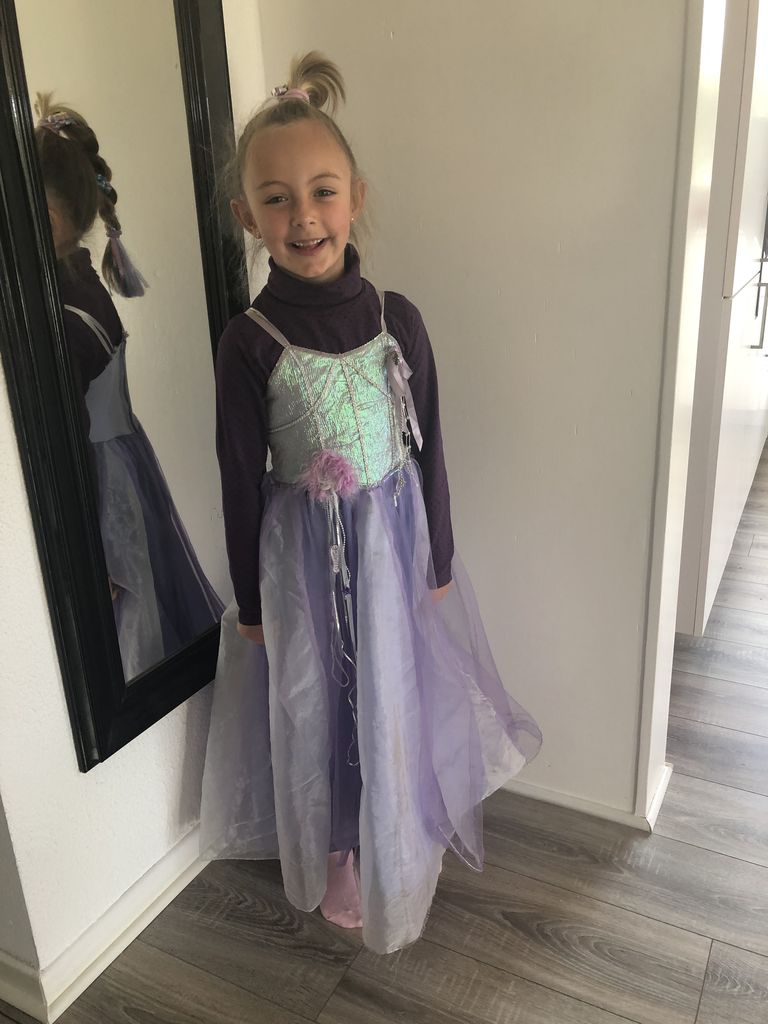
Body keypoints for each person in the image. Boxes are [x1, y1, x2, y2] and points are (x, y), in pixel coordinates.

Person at [199, 53, 542, 954]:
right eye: (276, 200)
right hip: (302, 562)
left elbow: (430, 444)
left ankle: (397, 830)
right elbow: (238, 474)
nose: (303, 216)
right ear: (247, 217)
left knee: (392, 692)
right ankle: (337, 843)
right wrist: (251, 604)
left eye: (322, 192)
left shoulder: (399, 319)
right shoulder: (248, 341)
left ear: (355, 197)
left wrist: (439, 558)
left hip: (391, 546)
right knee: (320, 701)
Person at [35, 95, 224, 680]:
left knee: (128, 603)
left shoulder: (65, 313)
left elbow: (62, 431)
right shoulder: (79, 281)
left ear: (54, 219)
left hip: (99, 474)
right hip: (123, 457)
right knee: (146, 585)